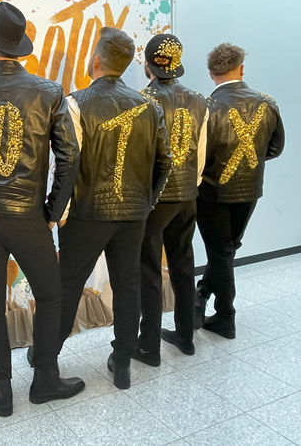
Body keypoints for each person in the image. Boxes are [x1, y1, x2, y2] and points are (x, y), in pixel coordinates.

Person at [0, 1, 84, 417]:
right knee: (50, 295)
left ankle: (2, 389)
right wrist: (53, 211)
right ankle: (45, 379)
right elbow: (70, 156)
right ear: (17, 47)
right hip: (29, 215)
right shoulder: (49, 91)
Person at [58, 27, 171, 390]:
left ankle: (45, 354)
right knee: (127, 287)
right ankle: (122, 363)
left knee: (67, 286)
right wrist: (146, 202)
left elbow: (67, 164)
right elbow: (165, 162)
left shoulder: (75, 103)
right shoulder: (150, 106)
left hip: (87, 214)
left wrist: (59, 212)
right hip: (133, 213)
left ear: (95, 61)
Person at [195, 43, 285, 339]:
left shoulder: (205, 108)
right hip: (250, 191)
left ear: (211, 73)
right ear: (242, 69)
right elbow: (275, 148)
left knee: (221, 251)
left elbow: (199, 156)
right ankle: (204, 295)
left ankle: (224, 316)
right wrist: (249, 164)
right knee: (227, 249)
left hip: (212, 193)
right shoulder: (267, 103)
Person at [134, 34, 208, 365]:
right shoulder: (200, 100)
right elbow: (201, 153)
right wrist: (192, 184)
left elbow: (140, 157)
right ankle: (186, 335)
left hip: (155, 198)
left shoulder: (141, 101)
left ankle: (149, 346)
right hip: (188, 195)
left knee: (149, 270)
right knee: (183, 263)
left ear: (147, 64)